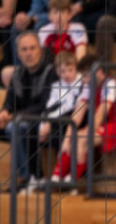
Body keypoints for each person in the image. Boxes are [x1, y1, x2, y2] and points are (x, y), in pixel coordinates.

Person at [0, 31, 56, 185]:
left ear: (40, 50)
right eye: (24, 49)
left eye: (32, 48)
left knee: (15, 127)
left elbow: (45, 105)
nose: (29, 53)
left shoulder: (51, 72)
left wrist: (14, 116)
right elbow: (10, 100)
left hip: (44, 122)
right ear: (18, 54)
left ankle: (30, 178)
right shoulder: (18, 72)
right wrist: (4, 112)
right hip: (19, 120)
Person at [52, 59, 116, 181]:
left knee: (83, 138)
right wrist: (66, 139)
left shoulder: (110, 84)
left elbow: (101, 113)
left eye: (87, 76)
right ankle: (57, 177)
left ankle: (72, 180)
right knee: (73, 137)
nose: (84, 80)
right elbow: (77, 114)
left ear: (99, 72)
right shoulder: (89, 85)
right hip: (107, 125)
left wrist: (85, 136)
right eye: (83, 76)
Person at [41, 50, 84, 184]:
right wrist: (45, 123)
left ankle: (64, 171)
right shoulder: (56, 86)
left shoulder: (82, 83)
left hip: (78, 117)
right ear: (57, 71)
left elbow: (73, 106)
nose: (66, 75)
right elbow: (51, 107)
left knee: (61, 124)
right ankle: (37, 176)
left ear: (76, 68)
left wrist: (51, 122)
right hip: (58, 119)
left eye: (70, 70)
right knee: (33, 129)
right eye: (62, 71)